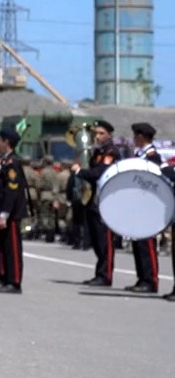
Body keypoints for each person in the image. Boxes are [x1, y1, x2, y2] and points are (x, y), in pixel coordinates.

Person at [75, 120, 121, 287]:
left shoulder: (110, 151)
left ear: (109, 135)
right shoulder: (98, 151)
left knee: (104, 240)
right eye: (96, 133)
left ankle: (105, 275)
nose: (97, 136)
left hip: (106, 200)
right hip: (95, 199)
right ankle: (100, 273)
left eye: (101, 133)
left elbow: (101, 172)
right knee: (96, 239)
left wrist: (80, 171)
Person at [0, 127, 27, 293]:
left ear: (7, 142)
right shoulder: (5, 161)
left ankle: (15, 281)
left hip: (11, 213)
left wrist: (4, 214)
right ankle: (6, 278)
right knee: (4, 247)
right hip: (2, 210)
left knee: (12, 248)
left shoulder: (13, 163)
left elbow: (12, 191)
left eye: (0, 140)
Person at [125, 122, 161, 293]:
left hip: (147, 205)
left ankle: (151, 280)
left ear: (141, 137)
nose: (134, 139)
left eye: (135, 136)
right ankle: (142, 278)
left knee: (147, 244)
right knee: (138, 244)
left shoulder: (152, 156)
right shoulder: (139, 155)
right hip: (138, 204)